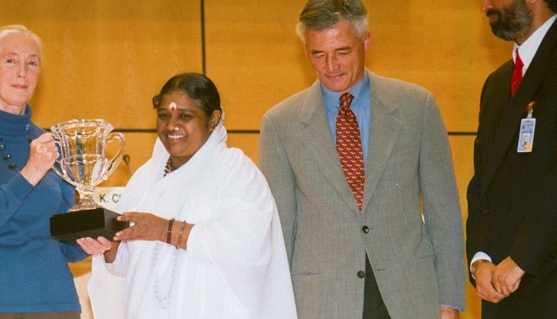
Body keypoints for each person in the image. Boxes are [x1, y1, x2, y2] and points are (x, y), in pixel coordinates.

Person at [258, 1, 466, 318]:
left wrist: (449, 303)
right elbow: (281, 230)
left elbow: (444, 213)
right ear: (305, 51)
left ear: (366, 41)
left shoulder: (417, 106)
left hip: (410, 299)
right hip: (320, 303)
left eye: (342, 51)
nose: (331, 66)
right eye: (318, 54)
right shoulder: (280, 123)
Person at [77, 73, 296, 319]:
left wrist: (165, 230)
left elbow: (247, 246)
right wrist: (109, 246)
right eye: (164, 116)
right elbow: (126, 265)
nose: (171, 126)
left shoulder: (235, 171)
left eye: (185, 116)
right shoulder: (144, 179)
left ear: (213, 120)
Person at [0, 25, 87, 319]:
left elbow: (67, 246)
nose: (22, 71)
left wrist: (89, 240)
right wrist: (30, 172)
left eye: (31, 63)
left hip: (54, 303)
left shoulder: (54, 144)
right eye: (11, 61)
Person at [467, 0, 557, 317]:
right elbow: (481, 184)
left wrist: (522, 258)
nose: (484, 6)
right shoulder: (496, 83)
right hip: (500, 296)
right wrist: (479, 260)